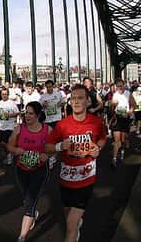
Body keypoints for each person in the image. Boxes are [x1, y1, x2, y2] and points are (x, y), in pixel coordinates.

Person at [45, 84, 107, 242]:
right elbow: (47, 147)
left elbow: (102, 138)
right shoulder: (62, 125)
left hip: (86, 178)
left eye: (80, 98)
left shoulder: (96, 122)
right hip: (66, 178)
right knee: (68, 215)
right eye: (73, 98)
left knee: (70, 226)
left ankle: (73, 230)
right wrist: (60, 146)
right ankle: (76, 225)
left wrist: (97, 149)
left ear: (88, 101)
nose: (76, 102)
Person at [8, 101, 51, 242]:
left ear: (38, 115)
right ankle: (32, 212)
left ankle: (22, 236)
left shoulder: (47, 130)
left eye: (31, 113)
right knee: (26, 197)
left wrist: (48, 155)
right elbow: (10, 146)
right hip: (21, 170)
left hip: (39, 170)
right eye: (26, 112)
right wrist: (15, 150)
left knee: (29, 202)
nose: (27, 115)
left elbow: (55, 147)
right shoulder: (19, 129)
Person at [109, 79, 134, 167]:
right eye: (118, 86)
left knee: (123, 140)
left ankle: (122, 150)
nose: (120, 87)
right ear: (116, 86)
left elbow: (133, 105)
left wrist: (129, 112)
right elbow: (111, 110)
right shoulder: (115, 95)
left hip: (125, 119)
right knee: (116, 140)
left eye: (121, 85)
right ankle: (114, 159)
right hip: (117, 118)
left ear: (124, 85)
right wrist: (113, 105)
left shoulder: (128, 93)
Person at [0, 87, 19, 165]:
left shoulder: (12, 103)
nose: (4, 96)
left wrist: (9, 115)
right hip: (1, 126)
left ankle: (9, 157)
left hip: (10, 126)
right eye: (2, 94)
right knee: (2, 143)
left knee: (8, 142)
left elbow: (17, 113)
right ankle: (8, 154)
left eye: (5, 94)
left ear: (8, 95)